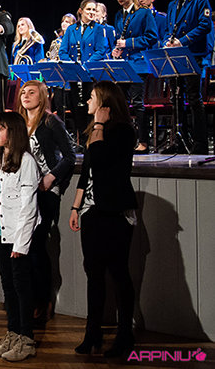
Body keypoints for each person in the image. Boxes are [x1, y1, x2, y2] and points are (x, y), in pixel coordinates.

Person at [69, 81, 138, 358]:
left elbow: (98, 159)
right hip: (92, 210)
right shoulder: (93, 132)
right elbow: (86, 172)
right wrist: (75, 207)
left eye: (92, 98)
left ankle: (125, 335)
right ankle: (92, 332)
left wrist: (99, 124)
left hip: (115, 211)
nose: (87, 102)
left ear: (105, 104)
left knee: (119, 273)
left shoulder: (122, 131)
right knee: (93, 273)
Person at [0, 112, 40, 362]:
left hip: (17, 236)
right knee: (8, 286)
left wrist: (21, 243)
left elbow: (29, 207)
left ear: (12, 132)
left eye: (0, 129)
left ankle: (27, 338)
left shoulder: (26, 161)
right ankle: (13, 333)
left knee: (21, 286)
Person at [16, 81, 75, 324]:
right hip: (24, 189)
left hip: (46, 189)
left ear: (42, 96)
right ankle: (30, 299)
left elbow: (70, 156)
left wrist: (51, 177)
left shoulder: (51, 121)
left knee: (39, 245)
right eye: (23, 92)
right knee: (25, 246)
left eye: (31, 92)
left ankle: (44, 300)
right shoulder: (19, 123)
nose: (25, 96)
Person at [162, 0, 213, 154]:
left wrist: (182, 41)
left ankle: (200, 142)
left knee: (193, 98)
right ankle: (180, 140)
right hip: (176, 55)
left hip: (193, 54)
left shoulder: (200, 0)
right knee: (176, 98)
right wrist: (168, 41)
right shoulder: (172, 4)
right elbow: (168, 29)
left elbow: (205, 25)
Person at [112, 0, 158, 154]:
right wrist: (116, 49)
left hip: (138, 64)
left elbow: (152, 37)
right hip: (123, 64)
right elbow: (118, 38)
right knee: (121, 104)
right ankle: (125, 140)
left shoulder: (144, 12)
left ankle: (143, 142)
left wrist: (128, 43)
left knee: (138, 104)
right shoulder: (118, 15)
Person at [59, 0, 109, 145]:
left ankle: (92, 140)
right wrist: (74, 66)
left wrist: (85, 65)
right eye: (89, 9)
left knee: (90, 108)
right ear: (81, 11)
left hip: (90, 74)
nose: (92, 12)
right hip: (75, 75)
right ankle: (81, 141)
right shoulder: (71, 29)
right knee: (76, 108)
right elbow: (63, 51)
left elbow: (100, 50)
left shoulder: (98, 29)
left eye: (94, 10)